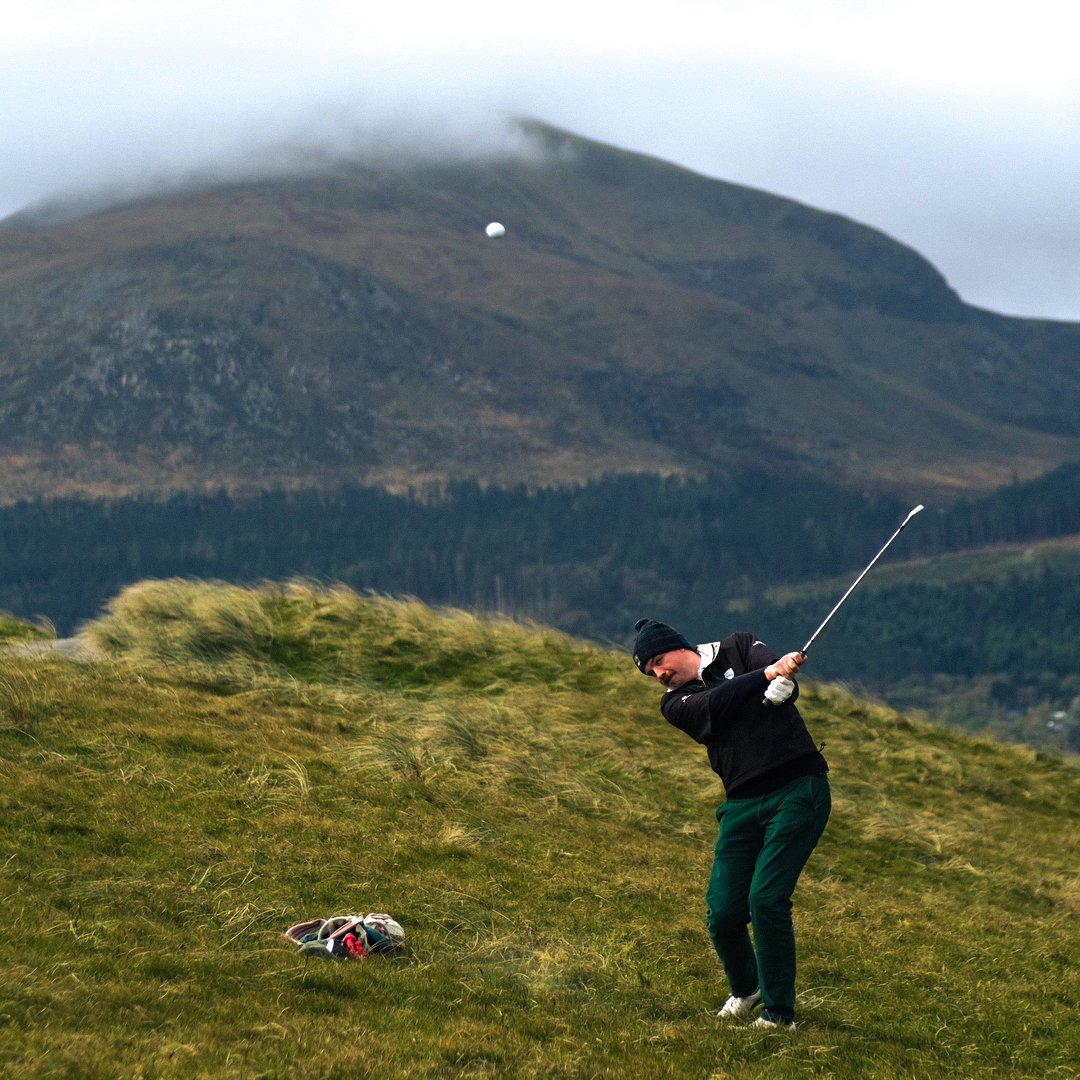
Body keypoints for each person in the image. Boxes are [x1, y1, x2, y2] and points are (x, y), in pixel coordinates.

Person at [632, 618, 830, 1031]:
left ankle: (779, 1015)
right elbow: (717, 706)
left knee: (766, 899)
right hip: (740, 803)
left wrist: (783, 685)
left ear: (678, 646)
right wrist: (766, 677)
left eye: (658, 660)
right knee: (722, 913)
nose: (658, 673)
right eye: (650, 671)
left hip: (797, 788)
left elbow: (780, 680)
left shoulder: (738, 646)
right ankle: (747, 989)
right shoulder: (675, 703)